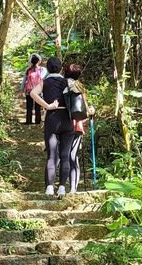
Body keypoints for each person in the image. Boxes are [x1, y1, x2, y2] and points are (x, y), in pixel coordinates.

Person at [29, 56, 73, 197]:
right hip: (67, 120)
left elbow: (32, 93)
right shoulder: (68, 82)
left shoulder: (45, 82)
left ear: (47, 68)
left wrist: (48, 106)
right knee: (65, 156)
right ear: (61, 68)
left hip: (52, 119)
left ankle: (49, 187)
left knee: (52, 156)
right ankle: (61, 187)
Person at [64, 62, 94, 193]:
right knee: (73, 156)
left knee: (63, 155)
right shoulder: (79, 87)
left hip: (62, 124)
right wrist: (91, 111)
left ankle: (60, 187)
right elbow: (86, 109)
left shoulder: (61, 84)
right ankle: (73, 188)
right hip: (76, 125)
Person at [20, 53, 47, 124]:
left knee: (29, 107)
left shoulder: (28, 70)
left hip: (29, 91)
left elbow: (24, 81)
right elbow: (42, 78)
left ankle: (28, 121)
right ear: (38, 61)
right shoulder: (42, 69)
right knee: (38, 107)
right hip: (38, 91)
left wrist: (21, 91)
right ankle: (38, 121)